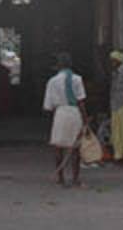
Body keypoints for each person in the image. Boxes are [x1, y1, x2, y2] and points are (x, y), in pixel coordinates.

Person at [43, 52, 88, 187]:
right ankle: (75, 178)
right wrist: (85, 119)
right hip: (74, 113)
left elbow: (48, 106)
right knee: (75, 148)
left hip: (61, 113)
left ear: (58, 66)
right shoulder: (77, 79)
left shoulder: (52, 81)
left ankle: (60, 177)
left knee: (58, 147)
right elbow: (81, 101)